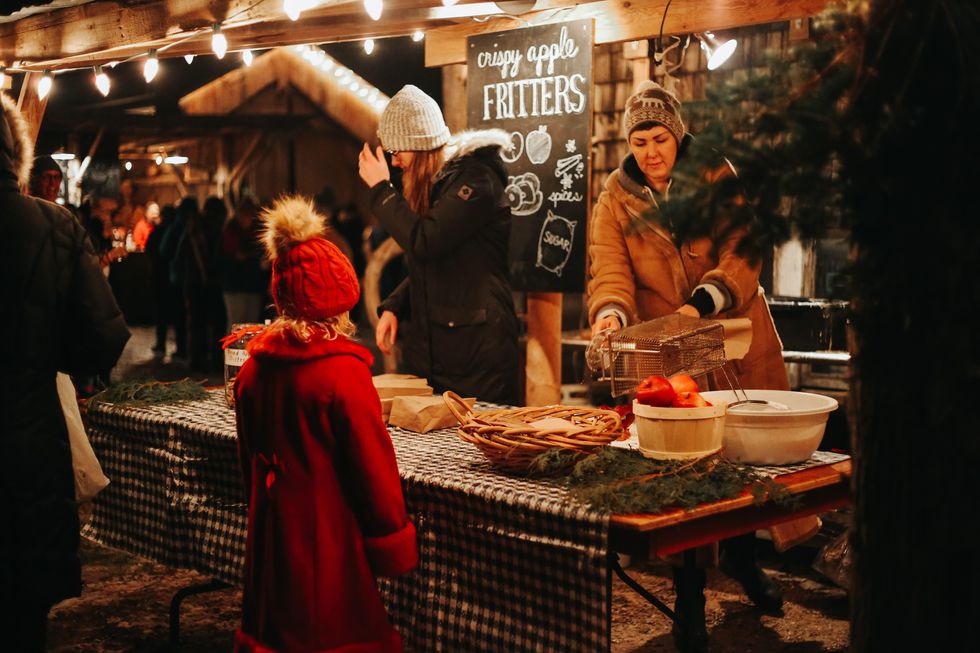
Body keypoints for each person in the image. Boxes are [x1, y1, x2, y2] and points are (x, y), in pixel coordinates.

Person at [587, 81, 790, 652]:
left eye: (659, 138)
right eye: (640, 140)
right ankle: (690, 594)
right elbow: (609, 269)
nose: (651, 151)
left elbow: (744, 251)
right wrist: (609, 314)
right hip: (669, 351)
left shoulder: (715, 177)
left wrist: (703, 301)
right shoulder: (616, 197)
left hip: (733, 337)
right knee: (683, 471)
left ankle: (747, 562)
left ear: (677, 137)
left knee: (745, 459)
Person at [233, 196, 417, 653]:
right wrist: (390, 536)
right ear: (337, 300)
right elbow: (372, 467)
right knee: (332, 634)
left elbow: (246, 464)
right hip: (329, 544)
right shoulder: (342, 373)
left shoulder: (253, 371)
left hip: (273, 544)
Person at [0, 93, 130, 650]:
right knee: (22, 618)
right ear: (17, 154)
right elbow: (100, 340)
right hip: (23, 458)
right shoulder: (55, 228)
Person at [358, 84, 520, 405]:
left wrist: (380, 190)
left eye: (397, 151)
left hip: (477, 355)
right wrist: (395, 305)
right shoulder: (443, 185)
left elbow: (425, 242)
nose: (395, 162)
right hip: (443, 351)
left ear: (417, 145)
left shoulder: (476, 181)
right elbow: (437, 263)